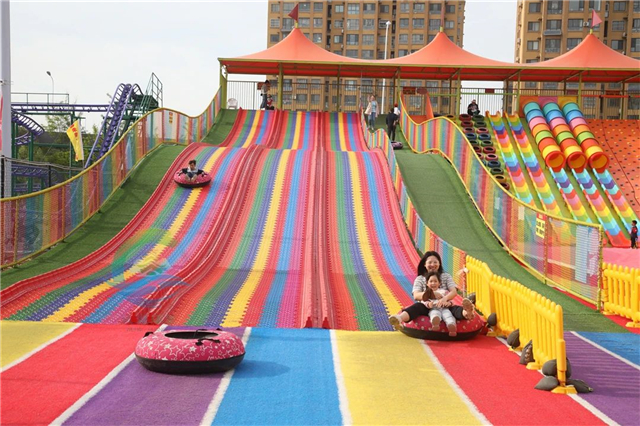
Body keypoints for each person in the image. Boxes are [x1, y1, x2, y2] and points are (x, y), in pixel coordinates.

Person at [388, 250, 475, 331]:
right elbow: (416, 295)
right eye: (430, 262)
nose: (432, 265)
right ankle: (399, 319)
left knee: (455, 309)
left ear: (439, 264)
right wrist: (431, 294)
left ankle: (467, 312)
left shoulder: (446, 276)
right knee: (417, 307)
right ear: (424, 264)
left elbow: (453, 291)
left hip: (445, 305)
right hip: (427, 306)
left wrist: (444, 299)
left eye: (435, 262)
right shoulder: (420, 278)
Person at [424, 271, 458, 336]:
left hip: (444, 308)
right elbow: (423, 301)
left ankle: (451, 326)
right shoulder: (427, 293)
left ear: (439, 283)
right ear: (427, 283)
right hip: (434, 308)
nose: (433, 283)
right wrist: (428, 304)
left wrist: (449, 303)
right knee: (434, 314)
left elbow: (451, 300)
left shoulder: (444, 291)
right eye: (431, 281)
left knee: (448, 315)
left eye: (435, 281)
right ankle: (435, 323)